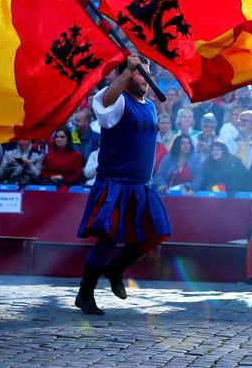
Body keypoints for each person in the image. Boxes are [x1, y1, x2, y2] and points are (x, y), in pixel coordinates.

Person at [75, 55, 172, 315]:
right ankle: (85, 293)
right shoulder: (116, 100)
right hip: (115, 184)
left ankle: (116, 268)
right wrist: (128, 70)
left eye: (148, 74)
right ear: (127, 74)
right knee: (107, 239)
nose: (147, 79)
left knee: (158, 233)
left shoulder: (150, 107)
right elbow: (104, 107)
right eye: (141, 73)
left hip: (142, 186)